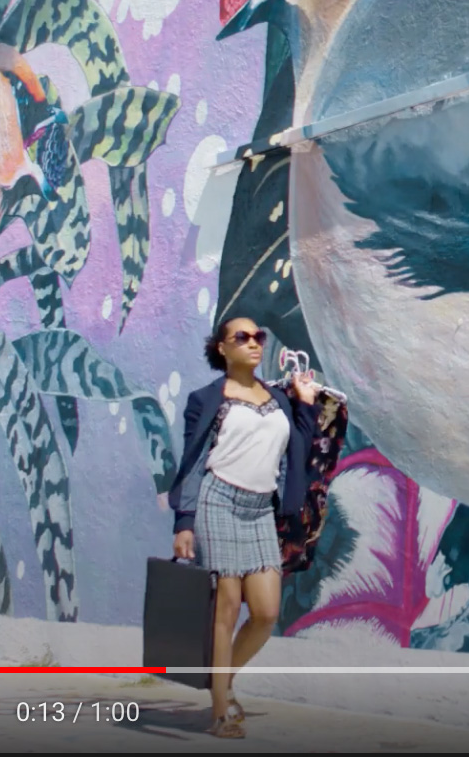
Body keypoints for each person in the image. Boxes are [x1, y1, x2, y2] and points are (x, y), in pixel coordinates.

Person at [167, 315, 321, 739]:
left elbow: (299, 447)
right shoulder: (206, 399)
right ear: (222, 348)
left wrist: (304, 403)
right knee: (227, 608)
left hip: (259, 510)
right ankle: (221, 711)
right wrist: (184, 522)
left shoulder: (278, 397)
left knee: (267, 612)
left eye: (259, 337)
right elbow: (193, 462)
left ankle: (223, 679)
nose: (254, 343)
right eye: (243, 337)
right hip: (217, 503)